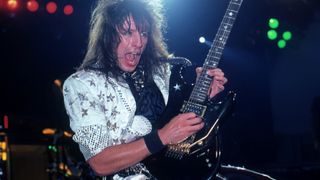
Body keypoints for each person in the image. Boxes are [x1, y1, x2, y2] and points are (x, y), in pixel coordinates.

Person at [62, 0, 227, 179]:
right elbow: (100, 163)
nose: (139, 42)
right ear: (107, 35)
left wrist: (204, 96)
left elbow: (185, 129)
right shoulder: (81, 84)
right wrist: (163, 136)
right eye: (127, 32)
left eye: (143, 33)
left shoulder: (163, 72)